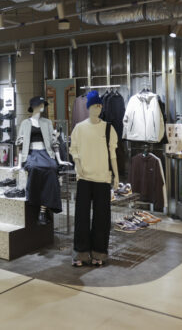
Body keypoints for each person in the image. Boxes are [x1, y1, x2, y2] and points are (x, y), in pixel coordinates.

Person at [69, 91, 119, 267]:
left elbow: (113, 154)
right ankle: (81, 253)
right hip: (84, 177)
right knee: (81, 217)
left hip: (102, 178)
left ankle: (99, 252)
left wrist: (116, 175)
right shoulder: (79, 128)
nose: (97, 109)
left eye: (99, 106)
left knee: (102, 218)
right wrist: (78, 165)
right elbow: (73, 149)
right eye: (94, 105)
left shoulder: (108, 128)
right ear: (88, 107)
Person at [18, 97, 72, 225]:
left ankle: (43, 211)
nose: (43, 106)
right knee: (34, 169)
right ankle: (37, 206)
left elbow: (54, 142)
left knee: (52, 169)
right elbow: (20, 144)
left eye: (43, 104)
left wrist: (59, 160)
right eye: (40, 104)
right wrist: (19, 164)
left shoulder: (47, 122)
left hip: (46, 153)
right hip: (31, 154)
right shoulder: (25, 123)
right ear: (34, 106)